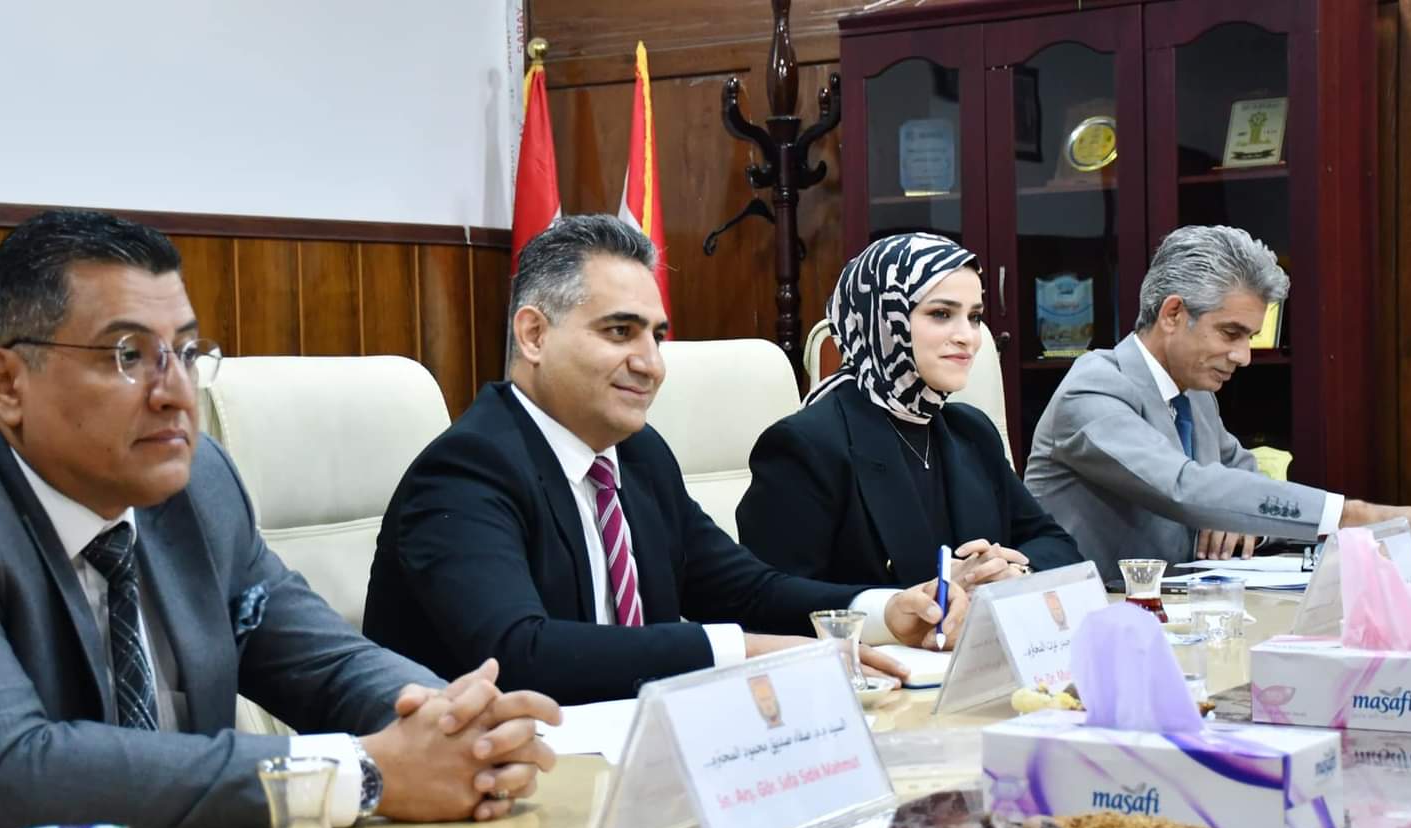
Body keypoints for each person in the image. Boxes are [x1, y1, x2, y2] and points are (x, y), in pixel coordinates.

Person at [0, 210, 560, 828]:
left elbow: (322, 660)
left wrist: (453, 726)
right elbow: (17, 776)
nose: (174, 392)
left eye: (187, 352)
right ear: (6, 384)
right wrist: (361, 773)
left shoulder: (194, 484)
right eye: (128, 355)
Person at [363, 214, 967, 707]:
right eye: (619, 332)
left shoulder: (638, 454)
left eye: (656, 336)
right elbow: (521, 654)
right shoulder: (466, 470)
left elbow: (745, 591)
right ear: (534, 335)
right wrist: (742, 653)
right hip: (492, 779)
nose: (651, 364)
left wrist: (884, 610)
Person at [1024, 224, 1411, 581]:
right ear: (1173, 314)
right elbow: (1183, 488)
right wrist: (1358, 515)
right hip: (1091, 620)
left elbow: (1245, 486)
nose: (1244, 356)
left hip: (1185, 613)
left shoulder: (1195, 395)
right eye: (1231, 333)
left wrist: (1244, 524)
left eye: (1250, 337)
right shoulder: (1093, 388)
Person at [737, 233, 1082, 593]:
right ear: (885, 319)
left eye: (975, 317)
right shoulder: (807, 444)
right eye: (941, 314)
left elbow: (1057, 545)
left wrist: (1014, 573)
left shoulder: (972, 430)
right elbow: (772, 599)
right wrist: (923, 597)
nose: (968, 337)